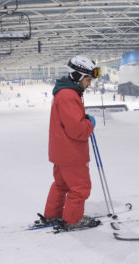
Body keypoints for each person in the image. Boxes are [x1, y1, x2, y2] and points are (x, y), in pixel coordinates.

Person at [36, 55, 101, 230]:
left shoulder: (65, 93)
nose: (89, 83)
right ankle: (73, 220)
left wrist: (83, 119)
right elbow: (78, 130)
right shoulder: (68, 95)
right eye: (87, 79)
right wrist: (89, 123)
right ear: (76, 76)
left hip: (61, 151)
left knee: (61, 184)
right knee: (80, 188)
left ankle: (53, 214)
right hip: (72, 153)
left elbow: (69, 121)